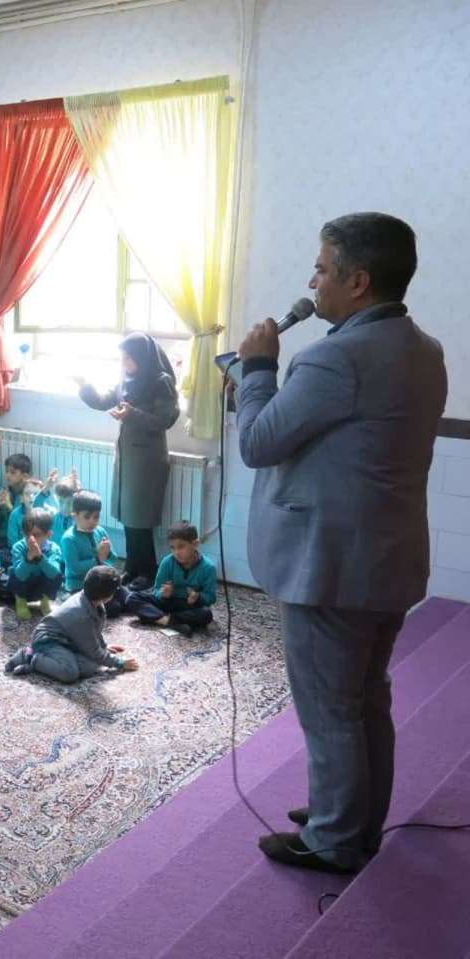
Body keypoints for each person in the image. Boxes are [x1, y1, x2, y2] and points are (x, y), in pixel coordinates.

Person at [235, 212, 445, 874]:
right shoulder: (424, 348)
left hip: (329, 568)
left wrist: (257, 368)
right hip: (386, 559)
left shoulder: (333, 358)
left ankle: (333, 839)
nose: (311, 282)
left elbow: (257, 441)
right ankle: (353, 816)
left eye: (322, 269)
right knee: (365, 697)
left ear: (358, 281)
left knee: (330, 709)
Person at [77, 331, 180, 588]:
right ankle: (132, 568)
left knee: (141, 518)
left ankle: (147, 571)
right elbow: (104, 401)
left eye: (129, 358)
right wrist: (85, 386)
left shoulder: (161, 381)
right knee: (128, 516)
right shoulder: (126, 380)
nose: (124, 363)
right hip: (127, 457)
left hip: (147, 459)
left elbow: (164, 420)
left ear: (142, 357)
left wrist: (131, 414)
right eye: (122, 358)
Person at [4, 566, 139, 684]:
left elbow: (94, 632)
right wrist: (119, 663)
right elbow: (93, 649)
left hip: (69, 640)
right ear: (107, 595)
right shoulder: (81, 615)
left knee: (91, 666)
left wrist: (103, 647)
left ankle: (48, 663)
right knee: (70, 673)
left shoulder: (92, 601)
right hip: (48, 641)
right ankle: (30, 656)